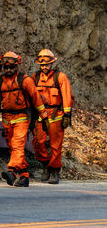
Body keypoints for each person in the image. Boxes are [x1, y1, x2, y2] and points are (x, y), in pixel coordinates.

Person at [0, 52, 44, 187]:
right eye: (5, 68)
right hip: (7, 118)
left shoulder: (25, 80)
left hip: (22, 117)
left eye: (11, 68)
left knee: (18, 144)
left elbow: (36, 99)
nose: (8, 70)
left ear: (17, 66)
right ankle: (24, 176)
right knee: (14, 147)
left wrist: (44, 117)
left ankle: (11, 171)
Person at [31, 49, 73, 184]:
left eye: (47, 64)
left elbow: (67, 96)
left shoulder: (60, 77)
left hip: (56, 114)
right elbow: (30, 96)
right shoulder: (35, 77)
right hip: (40, 113)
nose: (44, 67)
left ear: (52, 63)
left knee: (56, 144)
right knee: (38, 142)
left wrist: (67, 114)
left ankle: (55, 171)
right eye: (42, 65)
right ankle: (45, 164)